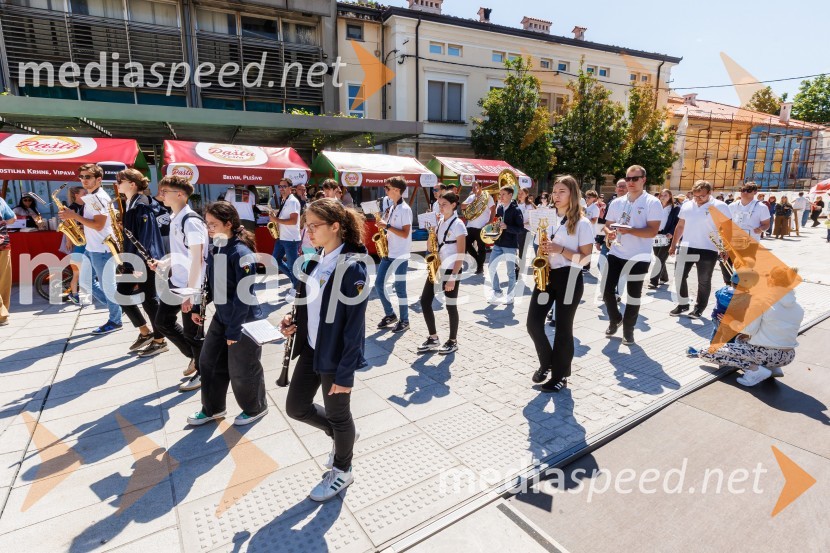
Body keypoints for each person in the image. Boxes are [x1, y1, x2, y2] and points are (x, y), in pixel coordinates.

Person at [282, 198, 368, 502]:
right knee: (296, 407)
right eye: (306, 225)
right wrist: (293, 322)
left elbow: (354, 327)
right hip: (313, 349)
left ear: (335, 226)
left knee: (338, 415)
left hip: (335, 357)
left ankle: (343, 470)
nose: (308, 231)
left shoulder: (353, 268)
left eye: (314, 225)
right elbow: (312, 307)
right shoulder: (317, 260)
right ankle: (342, 437)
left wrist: (345, 375)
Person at [186, 202, 268, 426]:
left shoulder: (241, 253)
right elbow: (213, 285)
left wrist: (234, 330)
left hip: (243, 321)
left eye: (213, 224)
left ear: (229, 224)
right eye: (207, 224)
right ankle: (213, 409)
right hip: (223, 317)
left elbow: (244, 296)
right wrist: (197, 307)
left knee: (242, 368)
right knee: (208, 362)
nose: (208, 229)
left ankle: (256, 408)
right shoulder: (217, 247)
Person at [527, 176, 593, 392]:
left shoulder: (582, 223)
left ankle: (560, 376)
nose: (556, 195)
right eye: (554, 191)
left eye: (562, 191)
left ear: (572, 194)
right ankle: (547, 362)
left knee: (564, 329)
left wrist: (560, 249)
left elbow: (585, 260)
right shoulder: (547, 217)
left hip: (570, 277)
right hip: (546, 274)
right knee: (533, 323)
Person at [696, 266, 804, 386]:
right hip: (788, 356)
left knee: (706, 352)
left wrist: (730, 321)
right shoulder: (798, 308)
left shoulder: (761, 301)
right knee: (740, 339)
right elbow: (777, 330)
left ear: (771, 281)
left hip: (764, 353)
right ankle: (772, 368)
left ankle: (755, 369)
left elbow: (749, 330)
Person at [148, 175, 207, 391]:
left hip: (193, 287)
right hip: (177, 283)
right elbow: (182, 253)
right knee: (163, 321)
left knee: (194, 333)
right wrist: (164, 262)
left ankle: (204, 371)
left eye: (165, 192)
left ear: (180, 194)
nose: (160, 195)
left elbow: (198, 258)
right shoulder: (175, 217)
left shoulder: (190, 221)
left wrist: (191, 294)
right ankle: (197, 359)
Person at [58, 163, 123, 334]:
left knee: (107, 286)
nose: (84, 180)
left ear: (99, 179)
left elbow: (99, 225)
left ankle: (115, 319)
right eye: (81, 177)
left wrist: (74, 216)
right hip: (93, 248)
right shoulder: (91, 197)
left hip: (102, 249)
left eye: (88, 177)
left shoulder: (97, 198)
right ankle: (115, 307)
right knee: (86, 283)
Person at [602, 167, 662, 345]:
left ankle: (628, 331)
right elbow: (607, 225)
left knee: (633, 296)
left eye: (635, 178)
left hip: (639, 256)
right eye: (628, 178)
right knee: (606, 291)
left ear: (644, 179)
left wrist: (630, 231)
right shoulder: (617, 202)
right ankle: (615, 318)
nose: (630, 182)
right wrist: (609, 233)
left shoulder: (652, 202)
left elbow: (652, 231)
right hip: (616, 252)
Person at [116, 168, 168, 356]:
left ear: (132, 184)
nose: (117, 183)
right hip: (133, 258)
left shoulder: (142, 205)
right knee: (122, 295)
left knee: (149, 300)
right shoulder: (130, 203)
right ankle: (145, 332)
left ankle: (160, 339)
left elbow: (147, 236)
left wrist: (142, 260)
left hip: (144, 259)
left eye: (120, 180)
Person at [669, 180, 733, 319]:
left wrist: (726, 248)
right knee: (679, 276)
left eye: (701, 196)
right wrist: (674, 244)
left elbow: (727, 229)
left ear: (710, 193)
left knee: (703, 280)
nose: (697, 199)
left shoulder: (720, 206)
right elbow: (680, 226)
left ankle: (699, 308)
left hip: (708, 248)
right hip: (686, 246)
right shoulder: (687, 204)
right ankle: (683, 304)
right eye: (695, 196)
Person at [417, 192, 467, 355]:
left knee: (450, 305)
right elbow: (431, 247)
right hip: (438, 267)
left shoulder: (458, 224)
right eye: (439, 204)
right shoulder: (439, 221)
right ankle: (433, 337)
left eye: (444, 204)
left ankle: (453, 341)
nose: (441, 207)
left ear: (453, 205)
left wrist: (452, 277)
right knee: (425, 301)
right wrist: (431, 233)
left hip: (452, 268)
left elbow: (461, 253)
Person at [374, 176, 413, 333]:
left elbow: (404, 234)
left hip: (401, 254)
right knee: (378, 284)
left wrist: (387, 225)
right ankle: (390, 314)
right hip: (388, 252)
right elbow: (389, 229)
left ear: (397, 190)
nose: (385, 190)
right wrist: (382, 226)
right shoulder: (392, 207)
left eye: (387, 187)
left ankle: (405, 320)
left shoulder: (405, 209)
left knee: (400, 288)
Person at [724, 182, 770, 285]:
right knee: (725, 263)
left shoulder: (761, 207)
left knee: (745, 267)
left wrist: (761, 229)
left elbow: (766, 224)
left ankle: (743, 287)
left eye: (748, 191)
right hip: (733, 241)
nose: (744, 193)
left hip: (750, 242)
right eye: (742, 190)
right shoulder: (732, 206)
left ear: (755, 192)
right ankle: (729, 284)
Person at [488, 186, 524, 304]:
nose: (501, 196)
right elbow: (497, 224)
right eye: (500, 194)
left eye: (503, 194)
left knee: (510, 272)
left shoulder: (516, 210)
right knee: (491, 267)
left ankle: (510, 295)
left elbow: (520, 229)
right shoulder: (500, 208)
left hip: (510, 245)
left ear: (510, 195)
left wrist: (507, 227)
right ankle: (497, 291)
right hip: (498, 243)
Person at [270, 178, 302, 292]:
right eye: (280, 186)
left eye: (284, 186)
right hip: (282, 238)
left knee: (293, 266)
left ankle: (297, 288)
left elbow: (293, 221)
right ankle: (296, 282)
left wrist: (276, 219)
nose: (281, 189)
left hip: (291, 239)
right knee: (275, 260)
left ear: (290, 188)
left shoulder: (292, 201)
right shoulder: (284, 200)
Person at [648, 189, 680, 290]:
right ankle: (664, 277)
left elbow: (677, 223)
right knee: (658, 256)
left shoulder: (675, 209)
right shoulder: (656, 207)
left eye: (665, 195)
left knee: (660, 258)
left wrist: (671, 233)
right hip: (656, 234)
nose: (663, 197)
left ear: (670, 196)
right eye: (661, 195)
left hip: (667, 235)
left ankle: (653, 281)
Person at [462, 181, 495, 275]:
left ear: (481, 187)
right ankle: (478, 260)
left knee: (481, 248)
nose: (474, 188)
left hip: (482, 226)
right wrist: (473, 202)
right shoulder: (471, 197)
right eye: (472, 187)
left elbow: (493, 209)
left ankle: (480, 268)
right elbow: (462, 206)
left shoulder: (487, 197)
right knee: (466, 245)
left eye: (476, 186)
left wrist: (490, 222)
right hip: (470, 226)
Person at [64, 186, 87, 304]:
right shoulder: (72, 208)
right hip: (78, 240)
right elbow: (67, 226)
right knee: (77, 271)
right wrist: (68, 241)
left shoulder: (86, 206)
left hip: (85, 239)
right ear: (76, 195)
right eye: (84, 193)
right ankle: (73, 294)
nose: (87, 194)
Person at [0, 196, 16, 326]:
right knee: (4, 280)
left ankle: (2, 314)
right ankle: (2, 316)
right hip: (3, 243)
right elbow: (12, 219)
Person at [515, 187, 535, 278]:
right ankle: (516, 266)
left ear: (526, 194)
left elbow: (534, 218)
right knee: (514, 249)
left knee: (522, 250)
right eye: (519, 193)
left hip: (525, 230)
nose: (519, 195)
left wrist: (525, 222)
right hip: (515, 229)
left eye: (522, 193)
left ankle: (520, 268)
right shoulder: (515, 204)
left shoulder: (530, 205)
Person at [583, 190, 601, 274]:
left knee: (588, 249)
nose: (587, 198)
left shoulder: (595, 208)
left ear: (594, 198)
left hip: (590, 231)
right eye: (586, 196)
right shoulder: (584, 206)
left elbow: (593, 221)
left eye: (589, 197)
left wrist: (583, 218)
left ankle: (587, 266)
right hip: (582, 230)